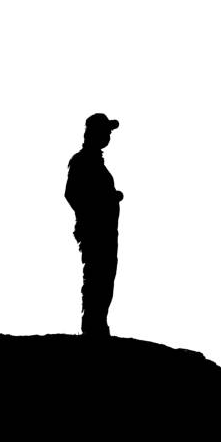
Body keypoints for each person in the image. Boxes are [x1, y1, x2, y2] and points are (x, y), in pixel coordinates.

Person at [65, 113, 122, 337]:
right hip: (95, 232)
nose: (108, 136)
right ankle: (92, 328)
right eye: (105, 131)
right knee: (97, 278)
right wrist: (96, 210)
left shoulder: (95, 162)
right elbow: (72, 194)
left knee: (104, 278)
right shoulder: (82, 161)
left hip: (105, 232)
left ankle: (98, 326)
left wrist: (111, 198)